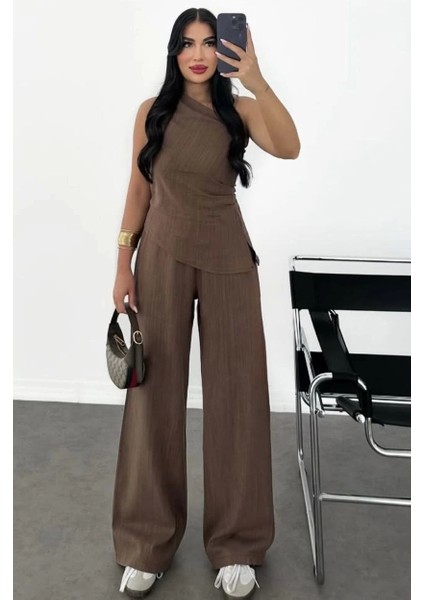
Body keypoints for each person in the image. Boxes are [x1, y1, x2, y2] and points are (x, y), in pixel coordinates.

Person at [111, 7, 300, 599]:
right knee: (152, 398)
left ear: (224, 50)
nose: (197, 54)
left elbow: (290, 147)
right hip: (161, 258)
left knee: (238, 397)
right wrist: (122, 262)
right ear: (174, 52)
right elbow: (138, 189)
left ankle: (238, 545)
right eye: (187, 43)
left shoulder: (240, 110)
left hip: (228, 261)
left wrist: (257, 80)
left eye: (209, 43)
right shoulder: (153, 112)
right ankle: (147, 543)